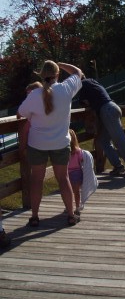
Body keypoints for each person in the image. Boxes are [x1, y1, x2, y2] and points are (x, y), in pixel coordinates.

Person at [17, 61, 82, 227]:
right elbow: (78, 72)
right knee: (63, 178)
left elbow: (21, 112)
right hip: (60, 143)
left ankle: (34, 217)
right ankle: (70, 215)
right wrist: (61, 63)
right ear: (58, 74)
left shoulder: (34, 94)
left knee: (36, 180)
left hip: (37, 144)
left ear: (41, 75)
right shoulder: (66, 89)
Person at [77, 76, 125, 177]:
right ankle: (118, 167)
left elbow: (85, 103)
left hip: (107, 111)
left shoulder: (83, 85)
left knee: (119, 141)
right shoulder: (92, 81)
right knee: (103, 140)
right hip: (111, 107)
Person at [68, 128, 98, 215]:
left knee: (72, 191)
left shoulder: (70, 152)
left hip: (71, 173)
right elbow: (83, 160)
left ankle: (73, 206)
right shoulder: (78, 152)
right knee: (75, 191)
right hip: (75, 173)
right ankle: (75, 207)